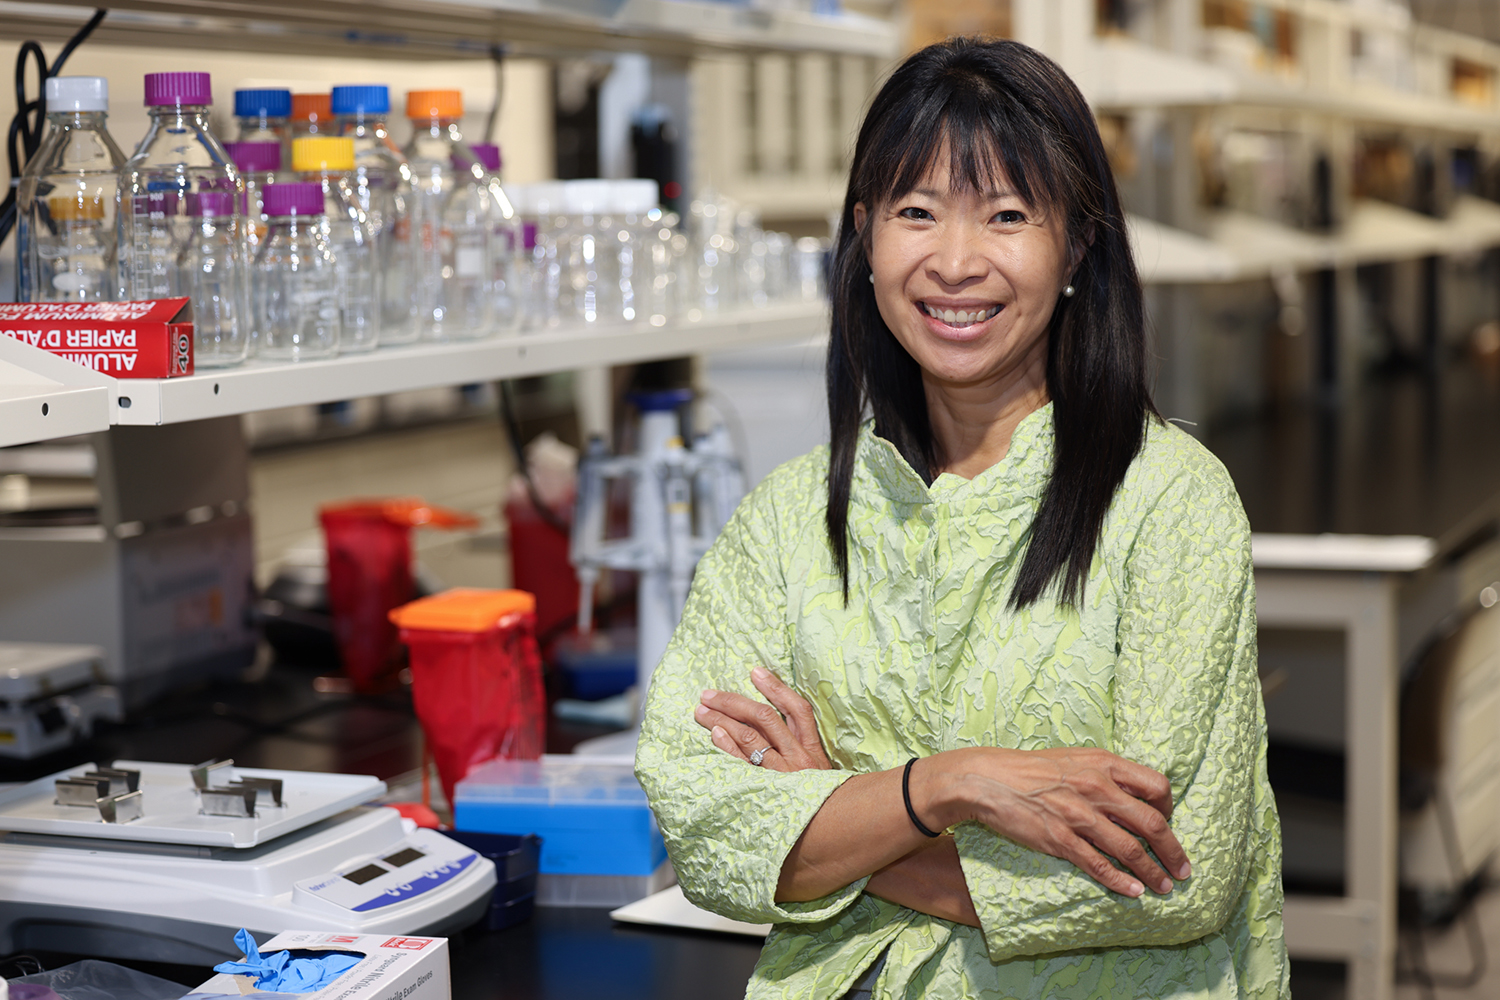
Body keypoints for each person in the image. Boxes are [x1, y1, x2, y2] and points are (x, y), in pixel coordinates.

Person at [635, 36, 1288, 1000]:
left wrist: (843, 823)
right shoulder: (790, 519)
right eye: (916, 212)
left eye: (1008, 216)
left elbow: (1177, 874)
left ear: (1076, 242)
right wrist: (947, 786)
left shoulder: (1168, 501)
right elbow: (701, 823)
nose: (954, 262)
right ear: (864, 237)